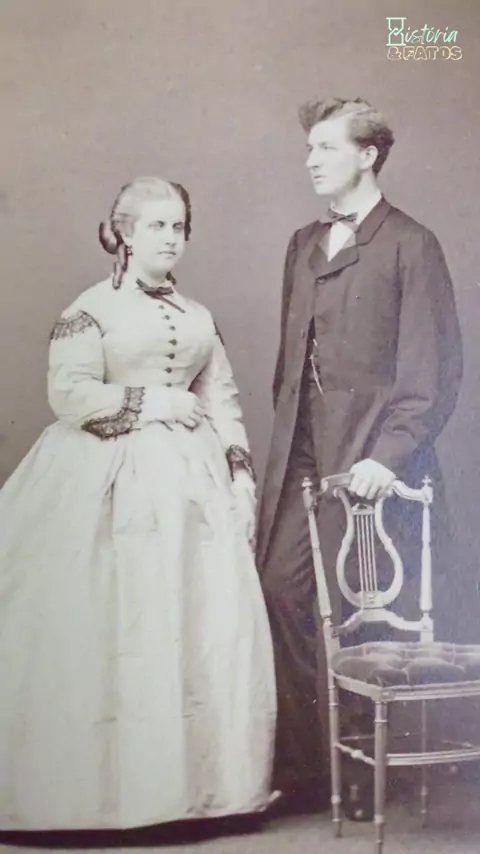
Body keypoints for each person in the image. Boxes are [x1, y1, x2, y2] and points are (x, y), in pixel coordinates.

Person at [0, 176, 276, 831]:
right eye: (156, 226)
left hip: (192, 488)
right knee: (109, 623)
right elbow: (70, 395)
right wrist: (155, 402)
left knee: (191, 622)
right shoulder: (90, 309)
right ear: (123, 233)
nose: (171, 238)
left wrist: (240, 476)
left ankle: (194, 794)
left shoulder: (198, 316)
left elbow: (222, 400)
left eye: (179, 226)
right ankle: (91, 799)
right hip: (102, 481)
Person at [256, 98, 463, 816]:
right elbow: (289, 368)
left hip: (375, 461)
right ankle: (314, 770)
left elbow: (433, 369)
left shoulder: (411, 244)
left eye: (326, 147)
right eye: (308, 147)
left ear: (368, 155)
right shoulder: (302, 245)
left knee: (363, 609)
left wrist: (389, 455)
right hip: (301, 460)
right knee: (283, 590)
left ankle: (369, 778)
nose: (311, 160)